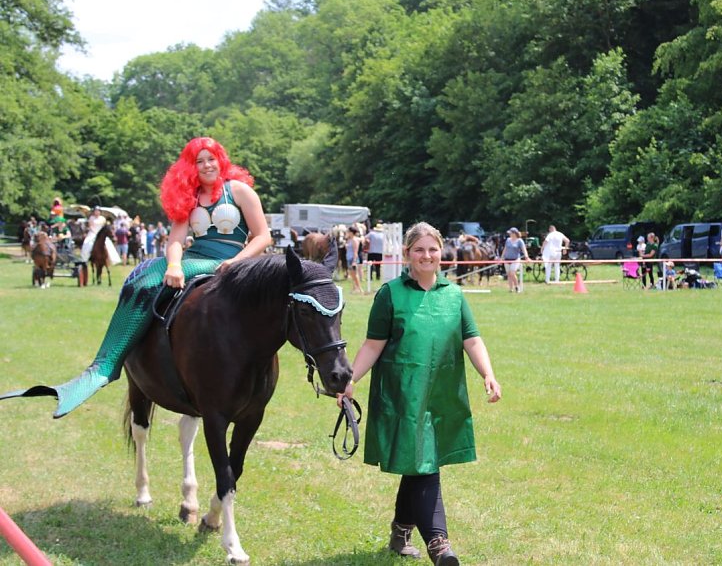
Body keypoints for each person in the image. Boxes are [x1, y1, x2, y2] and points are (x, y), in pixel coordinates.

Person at [1, 137, 271, 418]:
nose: (206, 166)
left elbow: (263, 236)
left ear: (220, 160)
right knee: (141, 279)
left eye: (211, 159)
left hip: (233, 260)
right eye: (199, 161)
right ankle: (105, 365)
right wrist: (174, 265)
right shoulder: (189, 197)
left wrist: (236, 261)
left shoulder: (238, 191)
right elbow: (176, 240)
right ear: (191, 167)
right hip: (194, 258)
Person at [338, 221, 501, 565]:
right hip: (403, 395)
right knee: (425, 464)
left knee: (420, 462)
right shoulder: (390, 294)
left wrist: (488, 374)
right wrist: (351, 379)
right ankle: (439, 545)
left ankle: (400, 532)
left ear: (441, 252)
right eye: (419, 250)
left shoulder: (453, 294)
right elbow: (373, 344)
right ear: (407, 254)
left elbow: (471, 339)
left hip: (441, 393)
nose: (427, 255)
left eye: (432, 249)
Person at [501, 227, 530, 293]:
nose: (509, 234)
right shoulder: (508, 240)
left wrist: (526, 257)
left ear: (514, 233)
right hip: (507, 259)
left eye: (510, 233)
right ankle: (511, 289)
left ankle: (517, 287)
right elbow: (505, 249)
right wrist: (502, 257)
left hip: (515, 259)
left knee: (512, 273)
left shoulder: (519, 241)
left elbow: (524, 249)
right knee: (509, 274)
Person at [346, 225, 365, 294]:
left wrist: (354, 261)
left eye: (348, 231)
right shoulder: (349, 240)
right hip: (349, 258)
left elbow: (355, 251)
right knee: (352, 275)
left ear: (351, 232)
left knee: (355, 275)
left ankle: (360, 289)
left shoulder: (354, 240)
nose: (347, 233)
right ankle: (354, 288)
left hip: (352, 258)